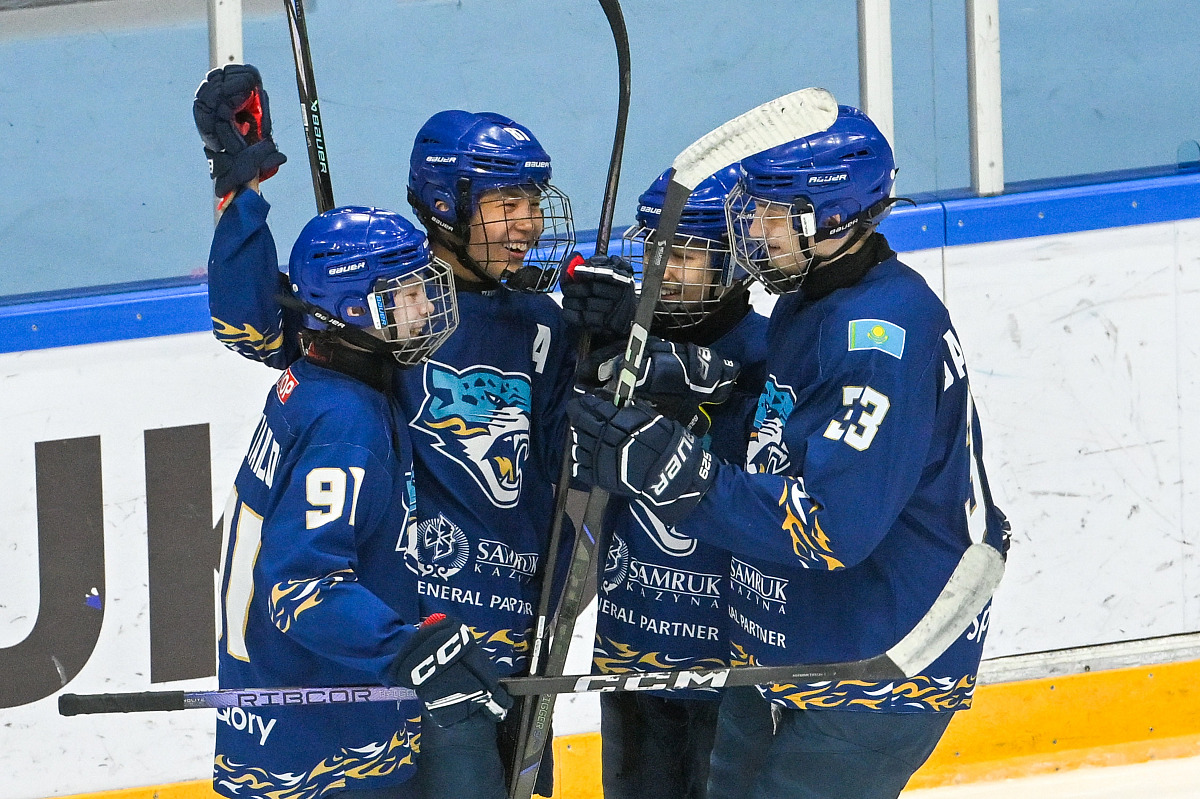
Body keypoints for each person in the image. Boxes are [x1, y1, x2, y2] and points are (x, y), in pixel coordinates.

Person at [567, 105, 1009, 799]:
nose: (753, 232)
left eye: (772, 215)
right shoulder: (812, 301)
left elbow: (832, 524)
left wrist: (678, 475)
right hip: (790, 644)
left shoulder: (880, 335)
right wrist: (675, 361)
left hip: (877, 658)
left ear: (831, 220)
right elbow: (781, 427)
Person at [195, 65, 578, 798]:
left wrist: (608, 350)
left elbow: (562, 481)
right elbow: (251, 325)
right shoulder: (382, 325)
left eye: (533, 201)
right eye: (506, 203)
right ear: (446, 205)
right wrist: (239, 192)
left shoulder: (541, 324)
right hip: (415, 644)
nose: (528, 223)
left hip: (508, 645)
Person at [214, 203, 516, 799]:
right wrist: (405, 649)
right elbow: (302, 587)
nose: (427, 307)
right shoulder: (346, 425)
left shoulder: (315, 383)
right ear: (356, 310)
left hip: (290, 718)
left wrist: (240, 200)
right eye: (409, 295)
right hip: (324, 741)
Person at [563, 165, 767, 799]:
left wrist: (708, 378)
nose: (662, 271)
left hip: (732, 653)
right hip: (632, 641)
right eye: (653, 251)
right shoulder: (621, 346)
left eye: (682, 255)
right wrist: (590, 335)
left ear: (733, 261)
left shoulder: (774, 349)